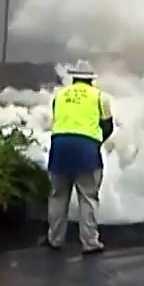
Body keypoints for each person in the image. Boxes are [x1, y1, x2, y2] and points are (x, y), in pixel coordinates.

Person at [43, 60, 114, 254]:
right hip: (86, 151)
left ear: (73, 78)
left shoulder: (59, 96)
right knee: (88, 197)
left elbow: (58, 120)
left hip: (60, 148)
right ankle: (90, 243)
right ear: (91, 80)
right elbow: (108, 126)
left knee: (58, 196)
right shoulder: (100, 97)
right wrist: (95, 142)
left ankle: (55, 239)